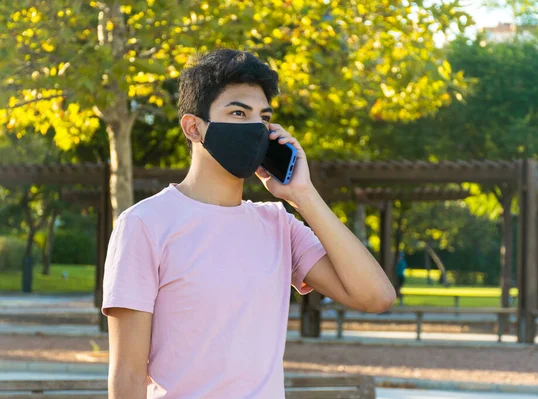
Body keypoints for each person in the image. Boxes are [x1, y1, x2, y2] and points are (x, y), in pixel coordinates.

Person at [102, 49, 396, 399]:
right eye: (239, 112)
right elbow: (128, 374)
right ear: (193, 127)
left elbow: (376, 297)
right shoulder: (144, 224)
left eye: (264, 117)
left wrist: (304, 196)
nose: (256, 127)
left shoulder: (278, 224)